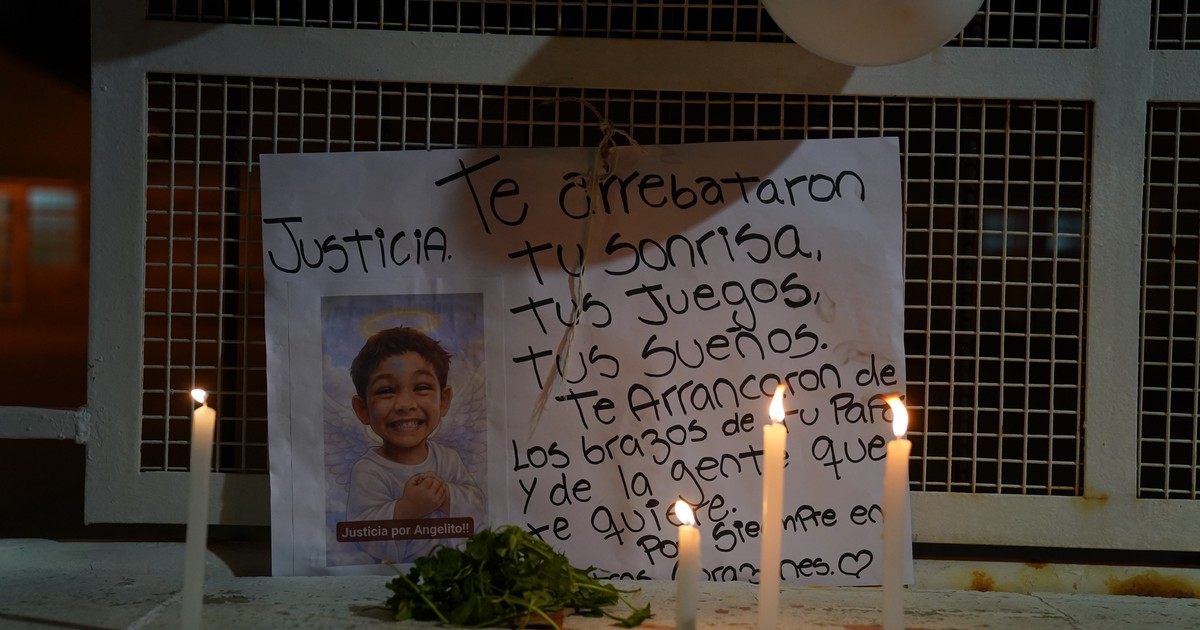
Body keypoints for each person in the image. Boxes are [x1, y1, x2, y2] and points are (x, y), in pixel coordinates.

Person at [345, 326, 486, 563]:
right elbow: (362, 535)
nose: (405, 404)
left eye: (421, 387)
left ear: (443, 401)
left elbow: (478, 507)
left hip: (451, 570)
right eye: (386, 390)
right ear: (362, 409)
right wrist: (407, 509)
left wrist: (446, 496)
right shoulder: (369, 470)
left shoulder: (448, 458)